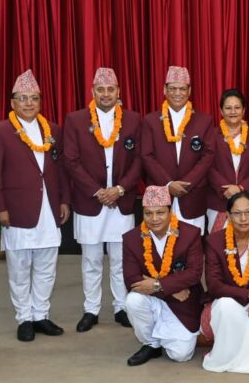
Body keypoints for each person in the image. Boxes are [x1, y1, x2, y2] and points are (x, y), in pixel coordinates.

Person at [0, 69, 69, 342]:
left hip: (48, 209)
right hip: (17, 209)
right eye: (23, 98)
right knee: (19, 268)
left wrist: (64, 200)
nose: (29, 103)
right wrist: (0, 208)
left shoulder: (53, 130)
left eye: (34, 98)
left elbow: (60, 168)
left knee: (47, 266)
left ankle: (40, 315)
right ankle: (24, 318)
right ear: (12, 102)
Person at [63, 67, 142, 332]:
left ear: (118, 91)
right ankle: (91, 310)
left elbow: (139, 160)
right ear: (92, 92)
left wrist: (119, 189)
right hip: (90, 202)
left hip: (121, 201)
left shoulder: (133, 120)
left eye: (110, 89)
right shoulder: (76, 120)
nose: (106, 94)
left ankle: (121, 307)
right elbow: (71, 161)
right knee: (91, 259)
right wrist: (98, 191)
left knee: (121, 259)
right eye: (100, 90)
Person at [121, 186, 204, 366]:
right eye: (148, 213)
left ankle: (167, 334)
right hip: (156, 297)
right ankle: (151, 343)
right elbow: (131, 280)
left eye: (160, 212)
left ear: (170, 211)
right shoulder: (131, 238)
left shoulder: (190, 234)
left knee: (180, 355)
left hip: (183, 303)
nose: (154, 218)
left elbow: (194, 273)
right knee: (132, 300)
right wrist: (167, 288)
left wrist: (156, 284)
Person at [202, 191, 249, 373]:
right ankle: (227, 359)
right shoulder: (214, 241)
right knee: (226, 306)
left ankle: (247, 362)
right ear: (228, 215)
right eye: (237, 213)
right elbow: (214, 284)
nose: (243, 219)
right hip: (228, 301)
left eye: (248, 212)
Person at [141, 66, 215, 234]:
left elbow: (208, 156)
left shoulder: (204, 121)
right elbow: (146, 155)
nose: (177, 93)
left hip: (192, 195)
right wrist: (168, 184)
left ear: (189, 91)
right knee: (160, 245)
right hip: (159, 198)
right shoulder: (151, 120)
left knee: (192, 244)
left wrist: (187, 184)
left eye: (182, 89)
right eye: (173, 88)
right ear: (164, 90)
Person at [205, 89, 249, 233]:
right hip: (219, 200)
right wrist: (225, 189)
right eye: (228, 108)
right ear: (221, 111)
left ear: (243, 110)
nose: (233, 112)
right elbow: (206, 165)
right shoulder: (211, 135)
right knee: (219, 243)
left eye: (237, 107)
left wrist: (241, 188)